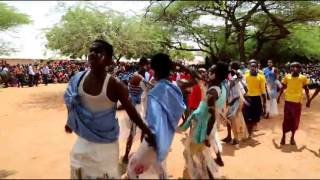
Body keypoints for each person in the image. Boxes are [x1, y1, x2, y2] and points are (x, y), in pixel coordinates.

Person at [64, 39, 155, 179]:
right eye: (91, 51)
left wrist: (148, 132)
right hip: (82, 146)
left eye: (99, 52)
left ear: (109, 60)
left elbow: (132, 112)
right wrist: (69, 120)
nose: (93, 54)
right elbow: (71, 100)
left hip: (105, 148)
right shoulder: (78, 78)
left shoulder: (115, 85)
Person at [127, 53, 186, 179]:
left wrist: (150, 139)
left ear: (153, 70)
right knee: (159, 167)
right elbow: (180, 110)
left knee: (133, 170)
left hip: (154, 139)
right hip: (167, 136)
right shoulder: (174, 88)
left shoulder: (155, 93)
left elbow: (154, 123)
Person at [176, 62, 229, 179]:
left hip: (202, 128)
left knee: (189, 153)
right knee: (202, 155)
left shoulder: (212, 93)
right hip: (203, 125)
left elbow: (213, 116)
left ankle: (197, 175)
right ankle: (207, 175)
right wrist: (183, 67)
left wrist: (206, 136)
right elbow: (197, 76)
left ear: (215, 75)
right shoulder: (220, 86)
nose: (208, 72)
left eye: (211, 71)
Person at [277, 62, 310, 145]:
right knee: (286, 120)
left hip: (297, 103)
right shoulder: (287, 77)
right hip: (288, 102)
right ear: (290, 68)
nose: (295, 68)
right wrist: (278, 97)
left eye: (297, 67)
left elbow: (306, 89)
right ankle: (283, 136)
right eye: (293, 67)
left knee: (295, 121)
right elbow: (283, 87)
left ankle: (292, 137)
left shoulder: (303, 78)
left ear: (300, 69)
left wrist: (309, 100)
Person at [222, 61, 248, 145]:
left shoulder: (235, 79)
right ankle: (229, 136)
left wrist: (234, 71)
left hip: (236, 101)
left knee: (235, 121)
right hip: (230, 101)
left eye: (230, 67)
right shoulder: (228, 79)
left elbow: (240, 78)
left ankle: (236, 138)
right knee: (228, 119)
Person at [242, 61, 267, 138]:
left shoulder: (261, 77)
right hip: (247, 98)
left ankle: (251, 131)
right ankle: (248, 131)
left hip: (256, 98)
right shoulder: (245, 76)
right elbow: (242, 87)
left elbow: (263, 90)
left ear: (257, 68)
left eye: (254, 66)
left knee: (255, 116)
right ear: (249, 67)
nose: (252, 68)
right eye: (251, 66)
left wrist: (264, 103)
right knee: (246, 115)